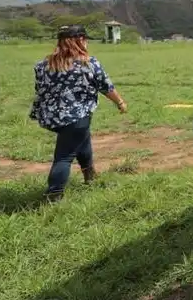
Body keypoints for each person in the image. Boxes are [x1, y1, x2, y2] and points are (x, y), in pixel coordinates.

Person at [29, 24, 127, 202]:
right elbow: (106, 87)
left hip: (51, 117)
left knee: (82, 139)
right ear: (80, 40)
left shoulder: (43, 65)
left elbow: (40, 89)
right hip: (76, 117)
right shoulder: (88, 63)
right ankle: (54, 194)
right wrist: (120, 102)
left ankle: (90, 175)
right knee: (64, 156)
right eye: (86, 39)